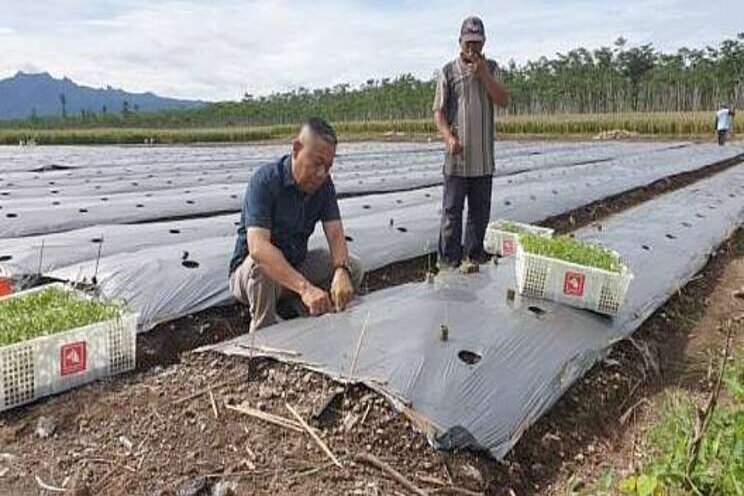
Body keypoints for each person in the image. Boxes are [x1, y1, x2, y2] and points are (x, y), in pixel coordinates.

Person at [229, 118, 364, 333]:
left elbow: (336, 233)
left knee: (353, 267)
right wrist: (305, 288)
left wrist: (340, 269)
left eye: (328, 166)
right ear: (296, 149)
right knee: (260, 265)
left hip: (294, 266)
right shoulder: (265, 181)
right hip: (252, 276)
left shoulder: (324, 186)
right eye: (317, 163)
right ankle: (265, 334)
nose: (322, 173)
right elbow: (258, 248)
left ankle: (301, 310)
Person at [433, 16, 510, 271]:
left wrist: (485, 76)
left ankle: (472, 259)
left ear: (484, 42)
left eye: (477, 43)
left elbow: (503, 100)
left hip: (483, 160)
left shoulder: (493, 68)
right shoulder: (448, 71)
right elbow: (439, 112)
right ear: (460, 41)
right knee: (451, 215)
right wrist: (449, 137)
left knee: (479, 215)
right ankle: (447, 264)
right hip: (457, 159)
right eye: (468, 43)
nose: (472, 48)